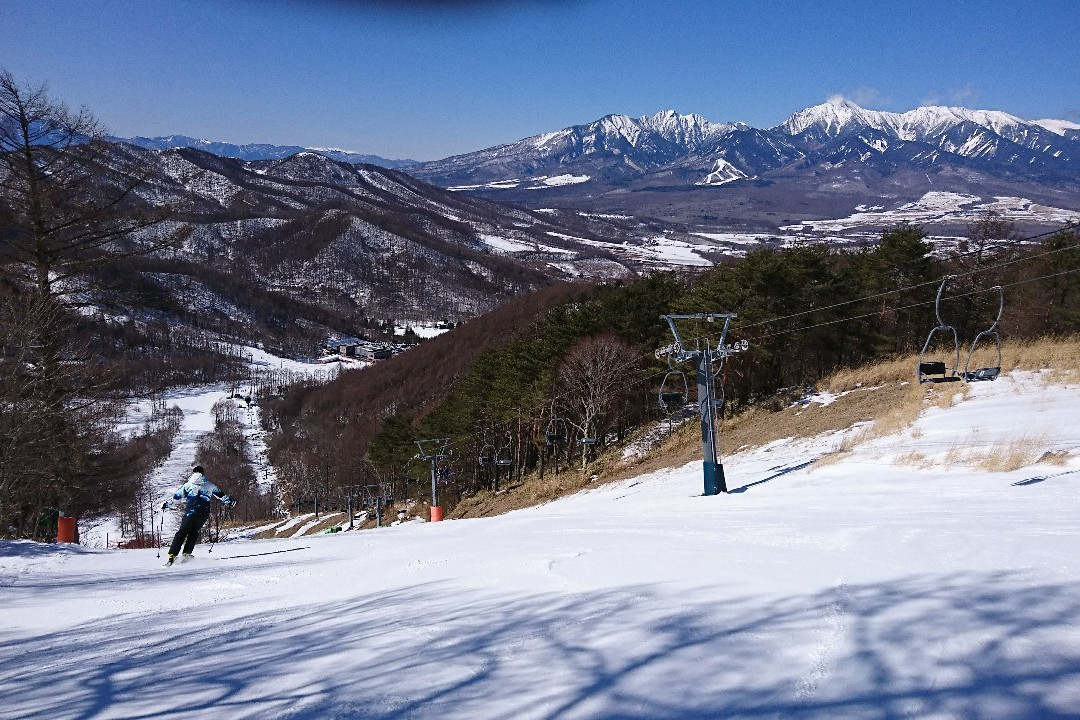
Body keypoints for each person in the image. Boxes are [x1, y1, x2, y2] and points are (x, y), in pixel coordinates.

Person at [161, 465, 235, 566]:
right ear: (203, 474)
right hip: (203, 513)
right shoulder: (209, 485)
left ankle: (172, 556)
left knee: (182, 532)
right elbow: (220, 495)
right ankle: (186, 554)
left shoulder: (187, 485)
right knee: (194, 532)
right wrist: (230, 502)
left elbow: (176, 497)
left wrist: (167, 505)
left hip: (190, 513)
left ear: (193, 473)